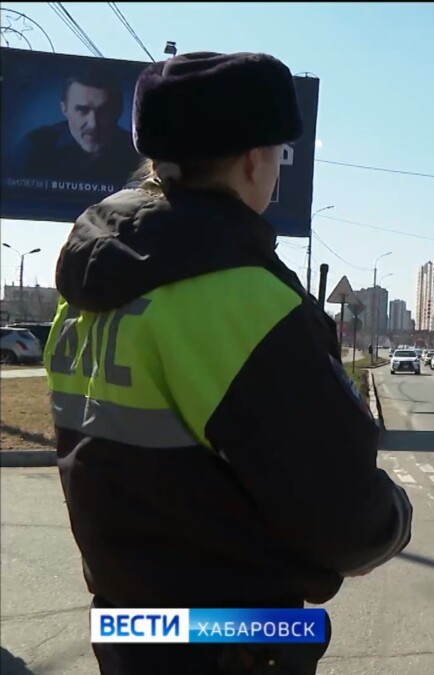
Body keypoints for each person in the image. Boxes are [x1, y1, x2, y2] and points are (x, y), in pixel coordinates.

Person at [44, 51, 413, 675]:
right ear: (254, 160)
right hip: (232, 640)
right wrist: (395, 518)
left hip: (125, 627)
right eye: (276, 154)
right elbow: (342, 516)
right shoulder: (247, 303)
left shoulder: (85, 286)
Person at [10, 69, 141, 187]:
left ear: (118, 111)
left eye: (104, 111)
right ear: (64, 109)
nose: (93, 124)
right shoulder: (34, 146)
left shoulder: (138, 155)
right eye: (82, 110)